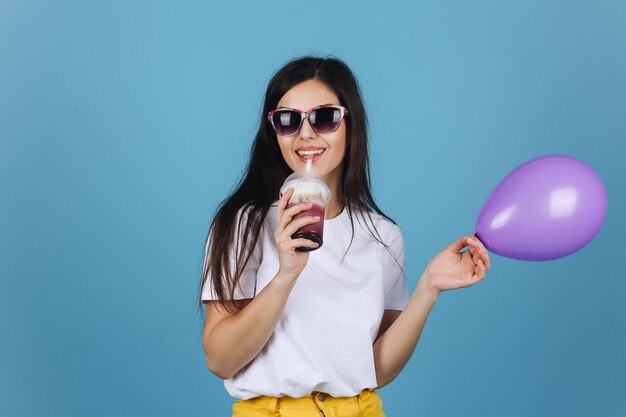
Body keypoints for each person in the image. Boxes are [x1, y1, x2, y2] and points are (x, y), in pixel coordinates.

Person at [199, 56, 491, 417]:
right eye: (288, 120)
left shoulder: (383, 236)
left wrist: (428, 288)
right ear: (273, 132)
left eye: (324, 118)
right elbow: (220, 359)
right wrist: (286, 275)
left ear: (350, 125)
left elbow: (375, 371)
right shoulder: (243, 224)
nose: (306, 134)